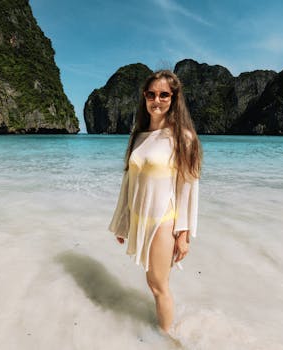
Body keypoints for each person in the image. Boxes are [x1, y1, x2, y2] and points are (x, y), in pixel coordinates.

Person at [109, 70, 202, 333]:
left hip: (163, 218)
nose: (157, 100)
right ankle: (164, 330)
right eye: (151, 94)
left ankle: (165, 338)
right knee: (153, 283)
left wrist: (183, 234)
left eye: (164, 95)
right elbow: (128, 184)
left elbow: (188, 188)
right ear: (144, 97)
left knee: (158, 285)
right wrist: (122, 222)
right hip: (140, 218)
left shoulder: (183, 138)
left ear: (174, 99)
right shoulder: (138, 136)